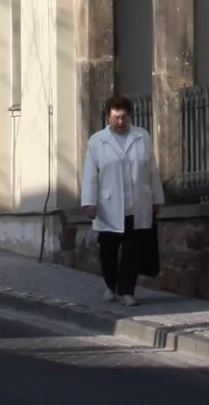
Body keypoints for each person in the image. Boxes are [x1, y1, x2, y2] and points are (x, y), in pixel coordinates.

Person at [80, 94, 164, 304]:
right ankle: (110, 285)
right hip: (109, 205)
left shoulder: (141, 136)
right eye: (116, 117)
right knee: (108, 249)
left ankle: (127, 291)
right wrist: (88, 202)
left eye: (124, 117)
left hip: (136, 203)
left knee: (132, 250)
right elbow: (90, 174)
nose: (120, 122)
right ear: (108, 117)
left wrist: (157, 198)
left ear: (130, 116)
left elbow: (152, 169)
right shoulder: (97, 141)